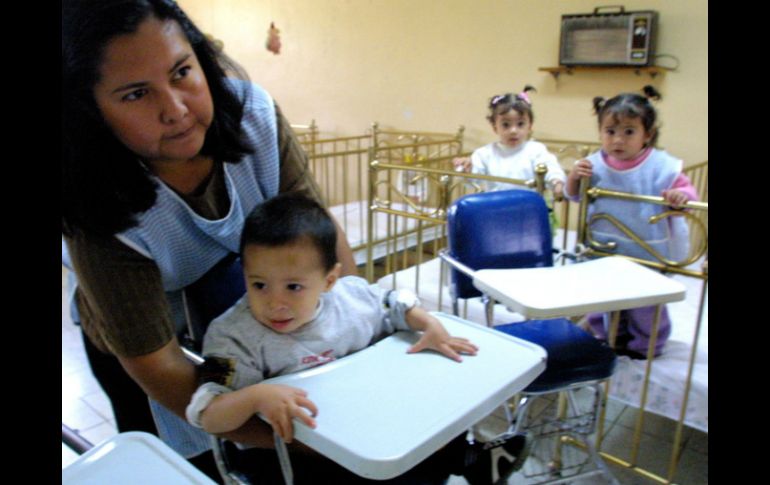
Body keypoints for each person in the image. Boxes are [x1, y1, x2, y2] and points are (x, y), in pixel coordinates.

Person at [61, 0, 356, 480]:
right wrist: (303, 443)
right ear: (91, 111)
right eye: (136, 94)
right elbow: (162, 371)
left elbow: (321, 241)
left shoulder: (252, 118)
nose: (175, 110)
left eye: (181, 72)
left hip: (232, 306)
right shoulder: (90, 200)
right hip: (138, 341)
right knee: (185, 464)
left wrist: (347, 343)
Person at [185, 192, 530, 484]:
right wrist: (255, 396)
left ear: (330, 281)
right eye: (258, 284)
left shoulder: (350, 297)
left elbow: (391, 303)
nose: (275, 303)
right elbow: (207, 413)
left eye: (293, 287)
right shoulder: (233, 335)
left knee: (430, 417)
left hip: (366, 422)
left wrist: (427, 324)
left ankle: (468, 457)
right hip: (294, 454)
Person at [565, 85, 698, 359]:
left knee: (646, 304)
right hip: (604, 247)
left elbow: (690, 196)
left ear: (647, 134)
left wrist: (678, 195)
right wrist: (575, 177)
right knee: (602, 300)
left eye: (629, 132)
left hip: (645, 250)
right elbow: (573, 195)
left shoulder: (661, 166)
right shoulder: (592, 164)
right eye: (610, 132)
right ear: (600, 132)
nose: (618, 140)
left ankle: (645, 347)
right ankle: (605, 337)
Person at [453, 86, 566, 232]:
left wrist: (557, 182)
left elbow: (549, 167)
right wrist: (466, 169)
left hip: (529, 214)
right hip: (496, 212)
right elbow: (473, 179)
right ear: (495, 127)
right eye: (506, 125)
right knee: (497, 245)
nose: (513, 130)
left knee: (530, 248)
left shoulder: (535, 150)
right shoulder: (485, 153)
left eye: (520, 124)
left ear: (530, 126)